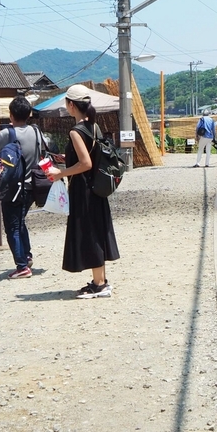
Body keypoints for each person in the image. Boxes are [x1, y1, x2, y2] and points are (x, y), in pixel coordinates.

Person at [47, 86, 120, 299]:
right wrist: (67, 158)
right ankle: (101, 281)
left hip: (84, 190)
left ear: (71, 104)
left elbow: (85, 163)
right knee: (97, 232)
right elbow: (89, 156)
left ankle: (99, 285)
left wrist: (60, 174)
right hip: (97, 189)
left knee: (90, 235)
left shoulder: (75, 130)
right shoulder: (93, 126)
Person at [0, 96, 48, 279]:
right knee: (20, 222)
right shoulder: (36, 131)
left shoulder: (8, 134)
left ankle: (22, 267)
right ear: (29, 114)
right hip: (32, 186)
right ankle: (26, 256)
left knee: (12, 227)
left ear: (11, 115)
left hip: (13, 190)